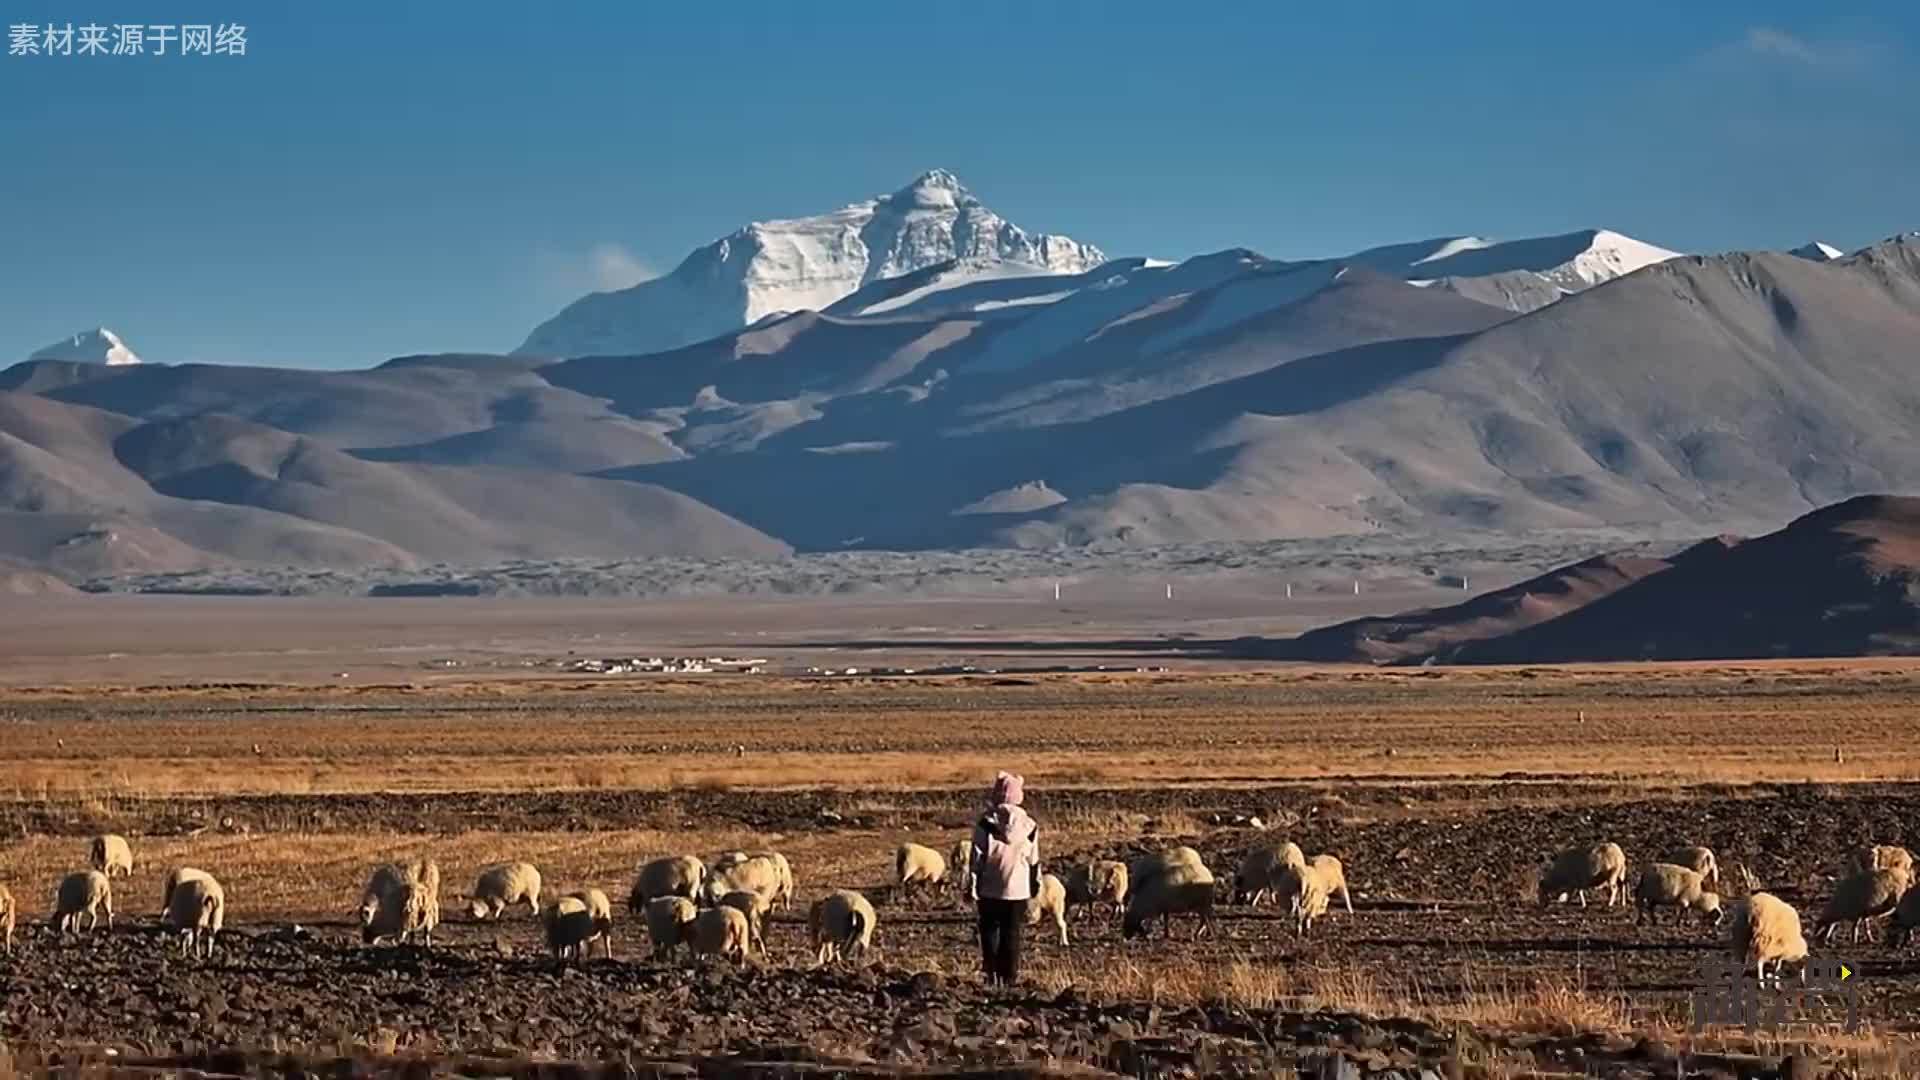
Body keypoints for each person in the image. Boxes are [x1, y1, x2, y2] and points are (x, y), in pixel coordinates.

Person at [969, 770, 1040, 986]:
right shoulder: (1029, 826)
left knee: (990, 930)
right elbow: (1033, 859)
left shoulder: (985, 823)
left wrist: (973, 884)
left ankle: (991, 974)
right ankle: (1009, 976)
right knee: (1012, 932)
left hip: (990, 887)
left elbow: (977, 857)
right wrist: (1034, 887)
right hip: (1018, 889)